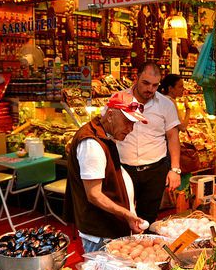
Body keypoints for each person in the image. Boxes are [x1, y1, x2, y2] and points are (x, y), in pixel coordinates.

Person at [65, 91, 148, 253]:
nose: (130, 129)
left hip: (109, 229)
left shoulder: (104, 135)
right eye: (127, 122)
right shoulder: (91, 143)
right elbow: (94, 195)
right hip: (100, 234)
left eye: (133, 124)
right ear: (110, 115)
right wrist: (126, 214)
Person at [117, 63, 181, 224]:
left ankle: (145, 247)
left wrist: (175, 169)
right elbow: (107, 130)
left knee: (148, 219)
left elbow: (173, 136)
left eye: (155, 85)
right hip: (123, 169)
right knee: (121, 215)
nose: (150, 89)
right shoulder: (119, 99)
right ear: (136, 77)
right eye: (146, 83)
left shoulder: (166, 105)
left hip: (155, 170)